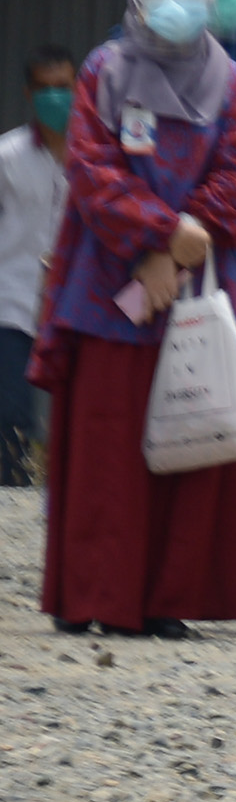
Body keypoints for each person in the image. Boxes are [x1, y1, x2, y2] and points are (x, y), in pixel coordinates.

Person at [31, 0, 236, 636]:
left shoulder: (230, 80)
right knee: (107, 447)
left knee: (190, 436)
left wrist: (187, 236)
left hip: (192, 291)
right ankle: (93, 596)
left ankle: (169, 600)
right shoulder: (103, 73)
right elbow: (91, 169)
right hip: (110, 285)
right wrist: (159, 237)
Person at [0, 47, 71, 486]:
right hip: (12, 303)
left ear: (79, 89)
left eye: (63, 87)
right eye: (44, 89)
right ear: (28, 93)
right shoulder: (7, 156)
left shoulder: (97, 160)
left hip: (76, 309)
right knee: (12, 416)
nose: (54, 98)